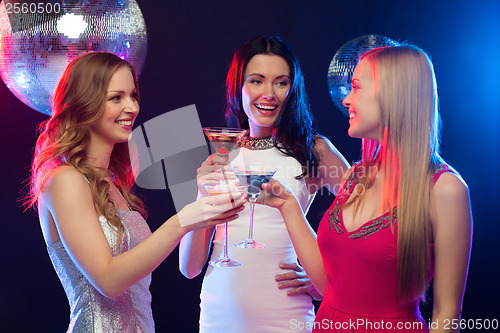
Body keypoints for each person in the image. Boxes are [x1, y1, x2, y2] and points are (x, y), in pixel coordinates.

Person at [257, 45, 472, 332]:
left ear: (394, 94)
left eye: (356, 87)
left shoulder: (445, 189)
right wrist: (288, 206)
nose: (346, 99)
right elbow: (329, 286)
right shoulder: (355, 176)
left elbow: (447, 313)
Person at [25, 52, 245, 333]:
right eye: (116, 98)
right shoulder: (64, 179)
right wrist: (182, 220)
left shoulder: (113, 181)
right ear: (83, 103)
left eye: (133, 95)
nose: (131, 107)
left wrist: (203, 199)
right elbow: (108, 281)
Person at [179, 36, 350, 332]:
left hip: (286, 315)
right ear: (238, 87)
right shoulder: (221, 153)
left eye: (281, 83)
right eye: (257, 81)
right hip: (219, 315)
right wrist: (201, 193)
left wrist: (326, 280)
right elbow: (190, 267)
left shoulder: (313, 150)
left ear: (292, 89)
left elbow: (366, 225)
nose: (269, 93)